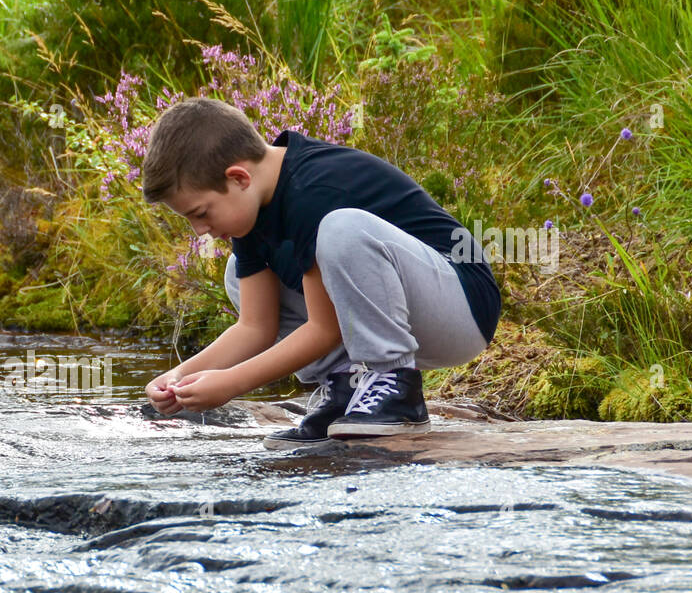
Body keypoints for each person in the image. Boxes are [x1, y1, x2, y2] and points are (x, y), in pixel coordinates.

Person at [139, 96, 501, 446]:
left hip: (461, 305)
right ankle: (347, 386)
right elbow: (255, 327)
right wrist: (178, 376)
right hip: (406, 313)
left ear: (239, 178)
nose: (199, 231)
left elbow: (323, 330)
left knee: (341, 229)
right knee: (238, 271)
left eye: (200, 213)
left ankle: (395, 384)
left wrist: (230, 383)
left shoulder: (313, 189)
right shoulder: (254, 208)